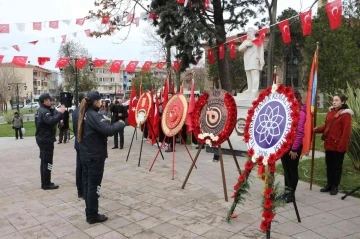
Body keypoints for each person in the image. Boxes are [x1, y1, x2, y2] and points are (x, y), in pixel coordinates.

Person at [78, 91, 125, 224]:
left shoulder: (85, 113)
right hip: (95, 157)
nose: (100, 102)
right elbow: (108, 130)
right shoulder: (93, 115)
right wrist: (120, 124)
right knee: (94, 187)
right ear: (95, 101)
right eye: (99, 100)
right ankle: (92, 215)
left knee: (88, 185)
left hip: (87, 155)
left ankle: (90, 212)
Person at [315, 93, 353, 195]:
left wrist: (341, 146)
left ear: (343, 102)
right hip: (329, 144)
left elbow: (346, 133)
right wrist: (317, 129)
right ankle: (329, 184)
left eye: (337, 100)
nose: (334, 102)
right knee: (329, 166)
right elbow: (326, 126)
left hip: (338, 146)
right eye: (333, 100)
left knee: (337, 167)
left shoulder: (346, 115)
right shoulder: (330, 113)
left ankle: (335, 186)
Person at [280, 90, 306, 203]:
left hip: (294, 147)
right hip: (284, 146)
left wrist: (294, 149)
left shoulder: (301, 113)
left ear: (297, 99)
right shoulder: (287, 111)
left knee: (292, 170)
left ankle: (291, 194)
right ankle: (286, 191)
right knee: (286, 170)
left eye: (292, 98)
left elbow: (300, 133)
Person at [35, 93, 65, 190]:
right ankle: (46, 183)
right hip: (45, 139)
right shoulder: (44, 111)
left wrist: (55, 111)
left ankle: (45, 181)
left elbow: (52, 115)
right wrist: (60, 113)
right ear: (45, 101)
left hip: (43, 138)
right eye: (49, 100)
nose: (50, 101)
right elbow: (51, 121)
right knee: (48, 162)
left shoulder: (42, 110)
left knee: (44, 161)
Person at [237, 27, 265, 93]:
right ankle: (249, 88)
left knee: (254, 74)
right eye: (247, 32)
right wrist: (246, 45)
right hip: (247, 60)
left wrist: (261, 60)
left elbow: (261, 51)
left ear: (253, 33)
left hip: (255, 59)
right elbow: (239, 49)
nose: (248, 33)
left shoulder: (258, 41)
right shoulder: (246, 41)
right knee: (248, 74)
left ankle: (254, 89)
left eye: (249, 32)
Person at [72, 93, 85, 199]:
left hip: (78, 142)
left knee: (79, 167)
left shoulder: (75, 111)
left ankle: (80, 190)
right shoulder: (83, 111)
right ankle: (83, 190)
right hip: (84, 143)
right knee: (84, 168)